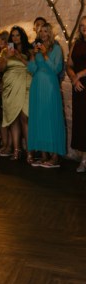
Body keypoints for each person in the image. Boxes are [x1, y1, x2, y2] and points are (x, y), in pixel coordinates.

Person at [28, 23, 66, 168]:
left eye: (45, 31)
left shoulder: (56, 49)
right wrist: (33, 56)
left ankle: (55, 156)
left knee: (51, 118)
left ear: (50, 33)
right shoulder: (36, 49)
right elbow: (31, 69)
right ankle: (44, 155)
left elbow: (56, 69)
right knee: (39, 118)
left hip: (50, 86)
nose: (43, 33)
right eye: (40, 31)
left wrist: (44, 55)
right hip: (36, 86)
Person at [0, 26, 32, 161]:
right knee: (13, 118)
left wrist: (19, 56)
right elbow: (0, 68)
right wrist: (6, 57)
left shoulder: (29, 50)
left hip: (25, 85)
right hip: (10, 85)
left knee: (25, 117)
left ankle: (29, 151)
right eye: (13, 36)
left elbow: (33, 67)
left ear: (22, 36)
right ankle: (17, 150)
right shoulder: (5, 51)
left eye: (17, 35)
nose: (15, 38)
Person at [67, 17, 86, 172]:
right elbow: (69, 65)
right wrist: (74, 77)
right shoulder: (76, 44)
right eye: (81, 26)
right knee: (81, 122)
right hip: (78, 88)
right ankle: (84, 160)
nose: (84, 28)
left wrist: (80, 74)